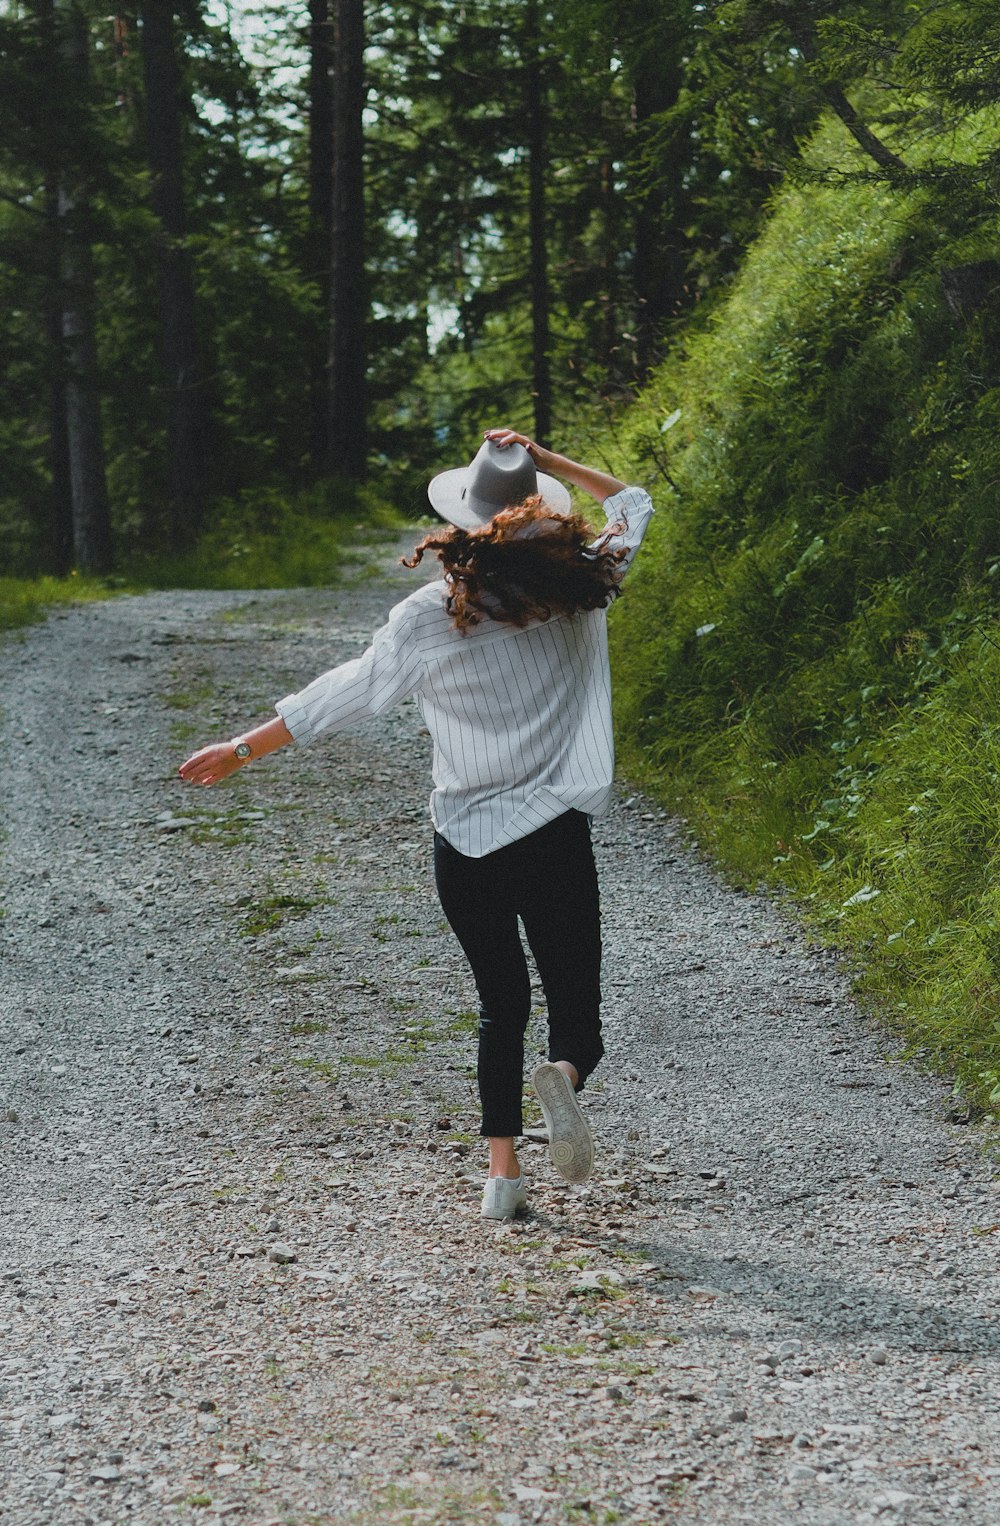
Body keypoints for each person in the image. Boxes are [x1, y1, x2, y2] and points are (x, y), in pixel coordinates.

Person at [179, 428, 653, 1219]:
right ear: (545, 519)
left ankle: (502, 1178)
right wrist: (545, 458)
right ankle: (562, 1080)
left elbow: (347, 692)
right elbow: (633, 503)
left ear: (465, 525)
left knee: (501, 1004)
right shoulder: (583, 582)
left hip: (464, 840)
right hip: (553, 831)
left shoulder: (430, 616)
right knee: (578, 1016)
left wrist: (240, 748)